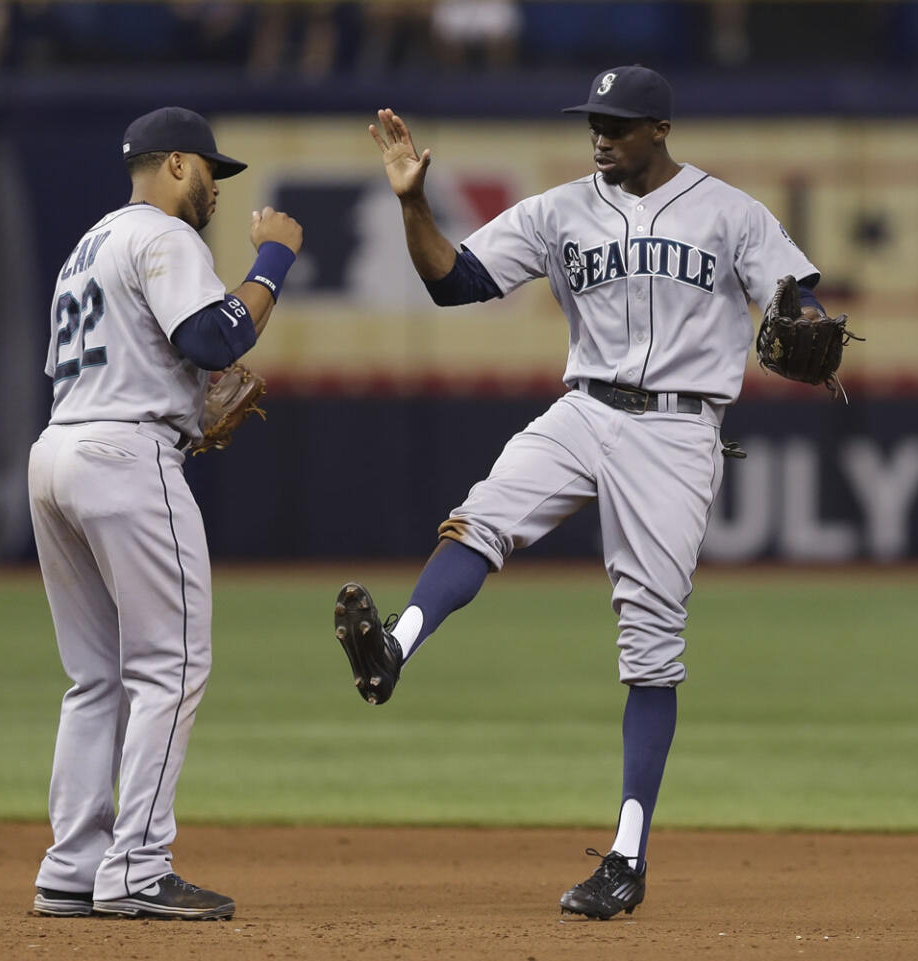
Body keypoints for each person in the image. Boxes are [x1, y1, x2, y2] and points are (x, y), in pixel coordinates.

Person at [334, 64, 828, 920]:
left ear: (660, 130)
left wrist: (810, 320)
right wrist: (414, 203)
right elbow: (452, 281)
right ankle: (392, 649)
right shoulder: (560, 208)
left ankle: (628, 857)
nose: (601, 135)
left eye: (619, 123)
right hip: (585, 407)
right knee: (482, 514)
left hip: (678, 432)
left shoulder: (733, 214)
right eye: (594, 121)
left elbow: (803, 298)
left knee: (650, 643)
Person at [28, 106, 302, 921]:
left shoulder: (86, 249)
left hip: (58, 452)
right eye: (212, 171)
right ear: (177, 163)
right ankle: (136, 866)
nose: (216, 188)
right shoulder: (163, 235)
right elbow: (215, 340)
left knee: (95, 677)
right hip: (125, 457)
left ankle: (72, 863)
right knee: (171, 664)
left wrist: (177, 400)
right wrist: (276, 257)